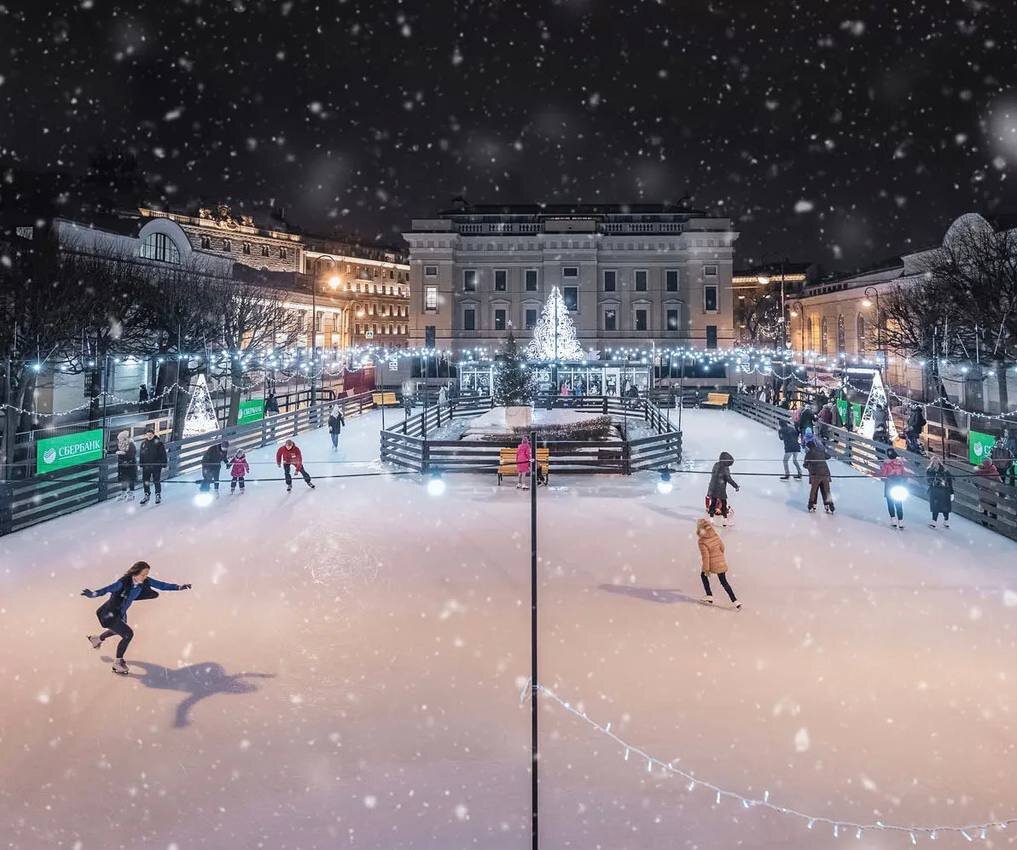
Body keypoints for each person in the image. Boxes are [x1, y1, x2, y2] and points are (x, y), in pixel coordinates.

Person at [82, 560, 191, 676]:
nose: (145, 577)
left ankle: (97, 639)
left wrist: (179, 587)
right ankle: (117, 663)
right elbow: (107, 589)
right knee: (128, 634)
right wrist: (93, 594)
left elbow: (161, 585)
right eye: (143, 574)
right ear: (135, 573)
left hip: (120, 612)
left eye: (146, 574)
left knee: (118, 630)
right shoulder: (123, 583)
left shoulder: (144, 582)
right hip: (108, 614)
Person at [696, 518, 740, 609]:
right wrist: (719, 557)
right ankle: (735, 601)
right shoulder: (715, 535)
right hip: (721, 562)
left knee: (703, 575)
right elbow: (722, 548)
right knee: (724, 582)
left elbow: (706, 557)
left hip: (712, 563)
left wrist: (706, 569)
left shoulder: (702, 541)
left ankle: (709, 595)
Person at [803, 432, 835, 514]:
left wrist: (810, 466)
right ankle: (830, 505)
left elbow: (805, 465)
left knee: (814, 490)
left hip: (815, 474)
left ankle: (812, 505)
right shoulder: (820, 450)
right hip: (825, 473)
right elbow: (828, 456)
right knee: (826, 490)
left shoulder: (809, 453)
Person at [706, 451, 739, 525]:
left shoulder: (716, 465)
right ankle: (725, 521)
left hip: (712, 487)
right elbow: (728, 479)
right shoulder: (725, 468)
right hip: (720, 489)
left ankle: (711, 520)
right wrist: (736, 486)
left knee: (713, 504)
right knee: (724, 504)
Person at [879, 448, 909, 529]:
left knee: (898, 503)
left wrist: (901, 479)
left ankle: (900, 520)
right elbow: (883, 475)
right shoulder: (886, 464)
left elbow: (904, 474)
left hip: (898, 485)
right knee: (891, 503)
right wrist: (888, 472)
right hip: (890, 484)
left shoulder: (900, 464)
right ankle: (893, 519)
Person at [138, 426, 167, 506]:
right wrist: (141, 464)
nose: (149, 436)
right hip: (146, 466)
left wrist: (163, 464)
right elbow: (142, 454)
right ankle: (146, 494)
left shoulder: (158, 443)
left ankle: (158, 494)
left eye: (150, 434)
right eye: (148, 435)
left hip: (156, 466)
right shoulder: (143, 444)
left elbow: (163, 454)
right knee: (145, 481)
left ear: (153, 434)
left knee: (156, 480)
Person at [926, 457, 954, 528]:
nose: (935, 463)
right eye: (934, 461)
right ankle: (936, 522)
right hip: (937, 491)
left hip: (943, 491)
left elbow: (950, 482)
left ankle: (944, 521)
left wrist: (952, 492)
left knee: (943, 507)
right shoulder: (930, 470)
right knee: (937, 507)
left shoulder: (944, 471)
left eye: (936, 461)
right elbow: (928, 480)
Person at [975, 458, 1002, 523]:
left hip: (983, 494)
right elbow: (1000, 483)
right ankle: (993, 522)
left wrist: (979, 487)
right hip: (992, 495)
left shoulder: (979, 472)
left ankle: (985, 522)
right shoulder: (995, 472)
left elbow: (975, 481)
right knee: (993, 509)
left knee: (984, 509)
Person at [115, 430, 137, 500]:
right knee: (123, 479)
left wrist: (123, 453)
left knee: (131, 479)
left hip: (130, 465)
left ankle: (131, 494)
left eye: (120, 438)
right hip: (122, 465)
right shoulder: (119, 444)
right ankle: (123, 493)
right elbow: (116, 451)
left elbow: (132, 455)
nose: (119, 440)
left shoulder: (131, 444)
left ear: (124, 438)